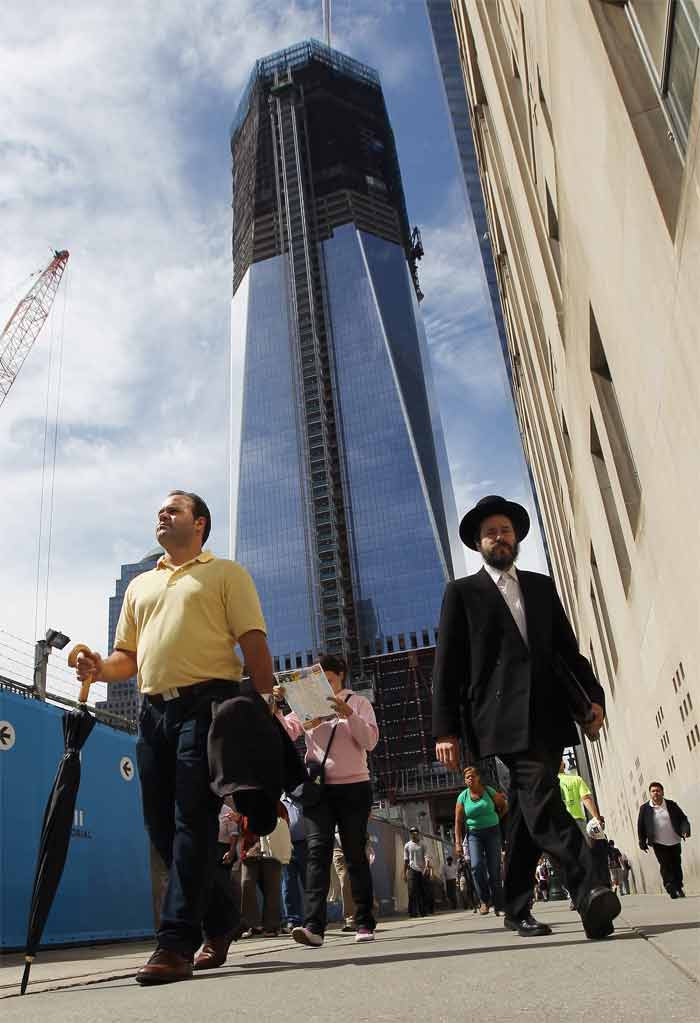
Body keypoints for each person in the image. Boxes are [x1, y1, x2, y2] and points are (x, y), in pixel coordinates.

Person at [73, 490, 274, 984]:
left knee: (192, 821)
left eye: (174, 509)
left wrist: (262, 710)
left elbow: (253, 643)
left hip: (209, 709)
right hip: (153, 713)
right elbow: (127, 658)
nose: (162, 515)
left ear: (200, 523)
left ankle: (175, 944)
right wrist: (99, 669)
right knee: (161, 828)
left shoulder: (226, 574)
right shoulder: (140, 587)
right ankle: (224, 915)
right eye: (160, 511)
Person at [432, 494, 620, 940]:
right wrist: (445, 730)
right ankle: (590, 887)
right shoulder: (462, 593)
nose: (500, 537)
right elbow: (447, 666)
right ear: (478, 543)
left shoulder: (541, 586)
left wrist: (594, 699)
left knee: (524, 810)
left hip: (549, 712)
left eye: (506, 530)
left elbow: (566, 652)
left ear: (515, 537)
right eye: (491, 532)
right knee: (539, 790)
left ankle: (515, 907)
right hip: (498, 716)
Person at [274, 654, 379, 945]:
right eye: (318, 681)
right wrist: (279, 705)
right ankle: (313, 927)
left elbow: (369, 741)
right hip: (318, 790)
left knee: (355, 854)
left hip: (355, 787)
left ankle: (364, 922)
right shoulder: (306, 704)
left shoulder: (358, 703)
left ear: (340, 676)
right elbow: (285, 732)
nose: (324, 687)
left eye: (328, 680)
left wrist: (348, 714)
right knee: (316, 855)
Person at [454, 765, 506, 916]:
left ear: (478, 778)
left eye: (472, 776)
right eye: (467, 777)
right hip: (474, 834)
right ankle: (484, 901)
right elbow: (458, 821)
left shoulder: (489, 791)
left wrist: (496, 820)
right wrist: (458, 843)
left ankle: (499, 905)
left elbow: (503, 806)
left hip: (493, 832)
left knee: (494, 869)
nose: (469, 779)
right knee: (476, 866)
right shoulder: (463, 797)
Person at [558, 760, 610, 905]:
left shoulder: (548, 782)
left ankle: (575, 895)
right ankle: (588, 891)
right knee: (582, 857)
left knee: (568, 860)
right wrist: (596, 817)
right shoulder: (575, 779)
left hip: (559, 824)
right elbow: (586, 798)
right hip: (577, 821)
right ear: (564, 765)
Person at [240, 807, 291, 938]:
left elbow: (284, 826)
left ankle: (272, 926)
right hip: (249, 851)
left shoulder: (277, 805)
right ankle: (252, 924)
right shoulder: (244, 804)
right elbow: (243, 829)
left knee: (272, 888)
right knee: (246, 884)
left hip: (271, 852)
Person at [637, 782, 691, 898]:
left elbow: (683, 819)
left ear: (662, 792)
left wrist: (685, 830)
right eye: (653, 791)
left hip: (674, 840)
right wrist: (642, 842)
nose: (656, 793)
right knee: (665, 864)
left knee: (676, 864)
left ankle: (678, 887)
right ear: (650, 794)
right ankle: (669, 885)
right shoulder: (645, 808)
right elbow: (641, 826)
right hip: (658, 842)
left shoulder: (671, 805)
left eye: (658, 790)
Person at [280, 792, 306, 933]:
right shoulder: (279, 802)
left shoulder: (303, 798)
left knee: (309, 883)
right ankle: (293, 920)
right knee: (288, 884)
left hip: (305, 844)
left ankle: (314, 917)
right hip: (286, 846)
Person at [404, 827, 428, 917]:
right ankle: (412, 912)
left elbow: (426, 856)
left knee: (422, 891)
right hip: (411, 869)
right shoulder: (407, 845)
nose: (413, 833)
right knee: (412, 891)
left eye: (415, 832)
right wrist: (404, 872)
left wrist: (426, 867)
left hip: (421, 870)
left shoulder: (423, 844)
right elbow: (406, 860)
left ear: (418, 833)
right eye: (411, 832)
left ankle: (423, 911)